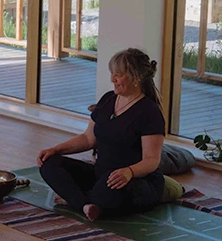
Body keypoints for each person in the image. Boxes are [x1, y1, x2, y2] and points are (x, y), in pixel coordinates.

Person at [37, 48, 165, 221]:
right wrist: (56, 149)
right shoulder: (107, 100)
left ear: (136, 77)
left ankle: (78, 200)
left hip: (134, 181)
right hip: (101, 175)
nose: (113, 79)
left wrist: (129, 172)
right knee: (49, 165)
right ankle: (87, 205)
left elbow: (152, 160)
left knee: (108, 191)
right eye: (112, 74)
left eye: (118, 74)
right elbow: (88, 138)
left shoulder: (150, 112)